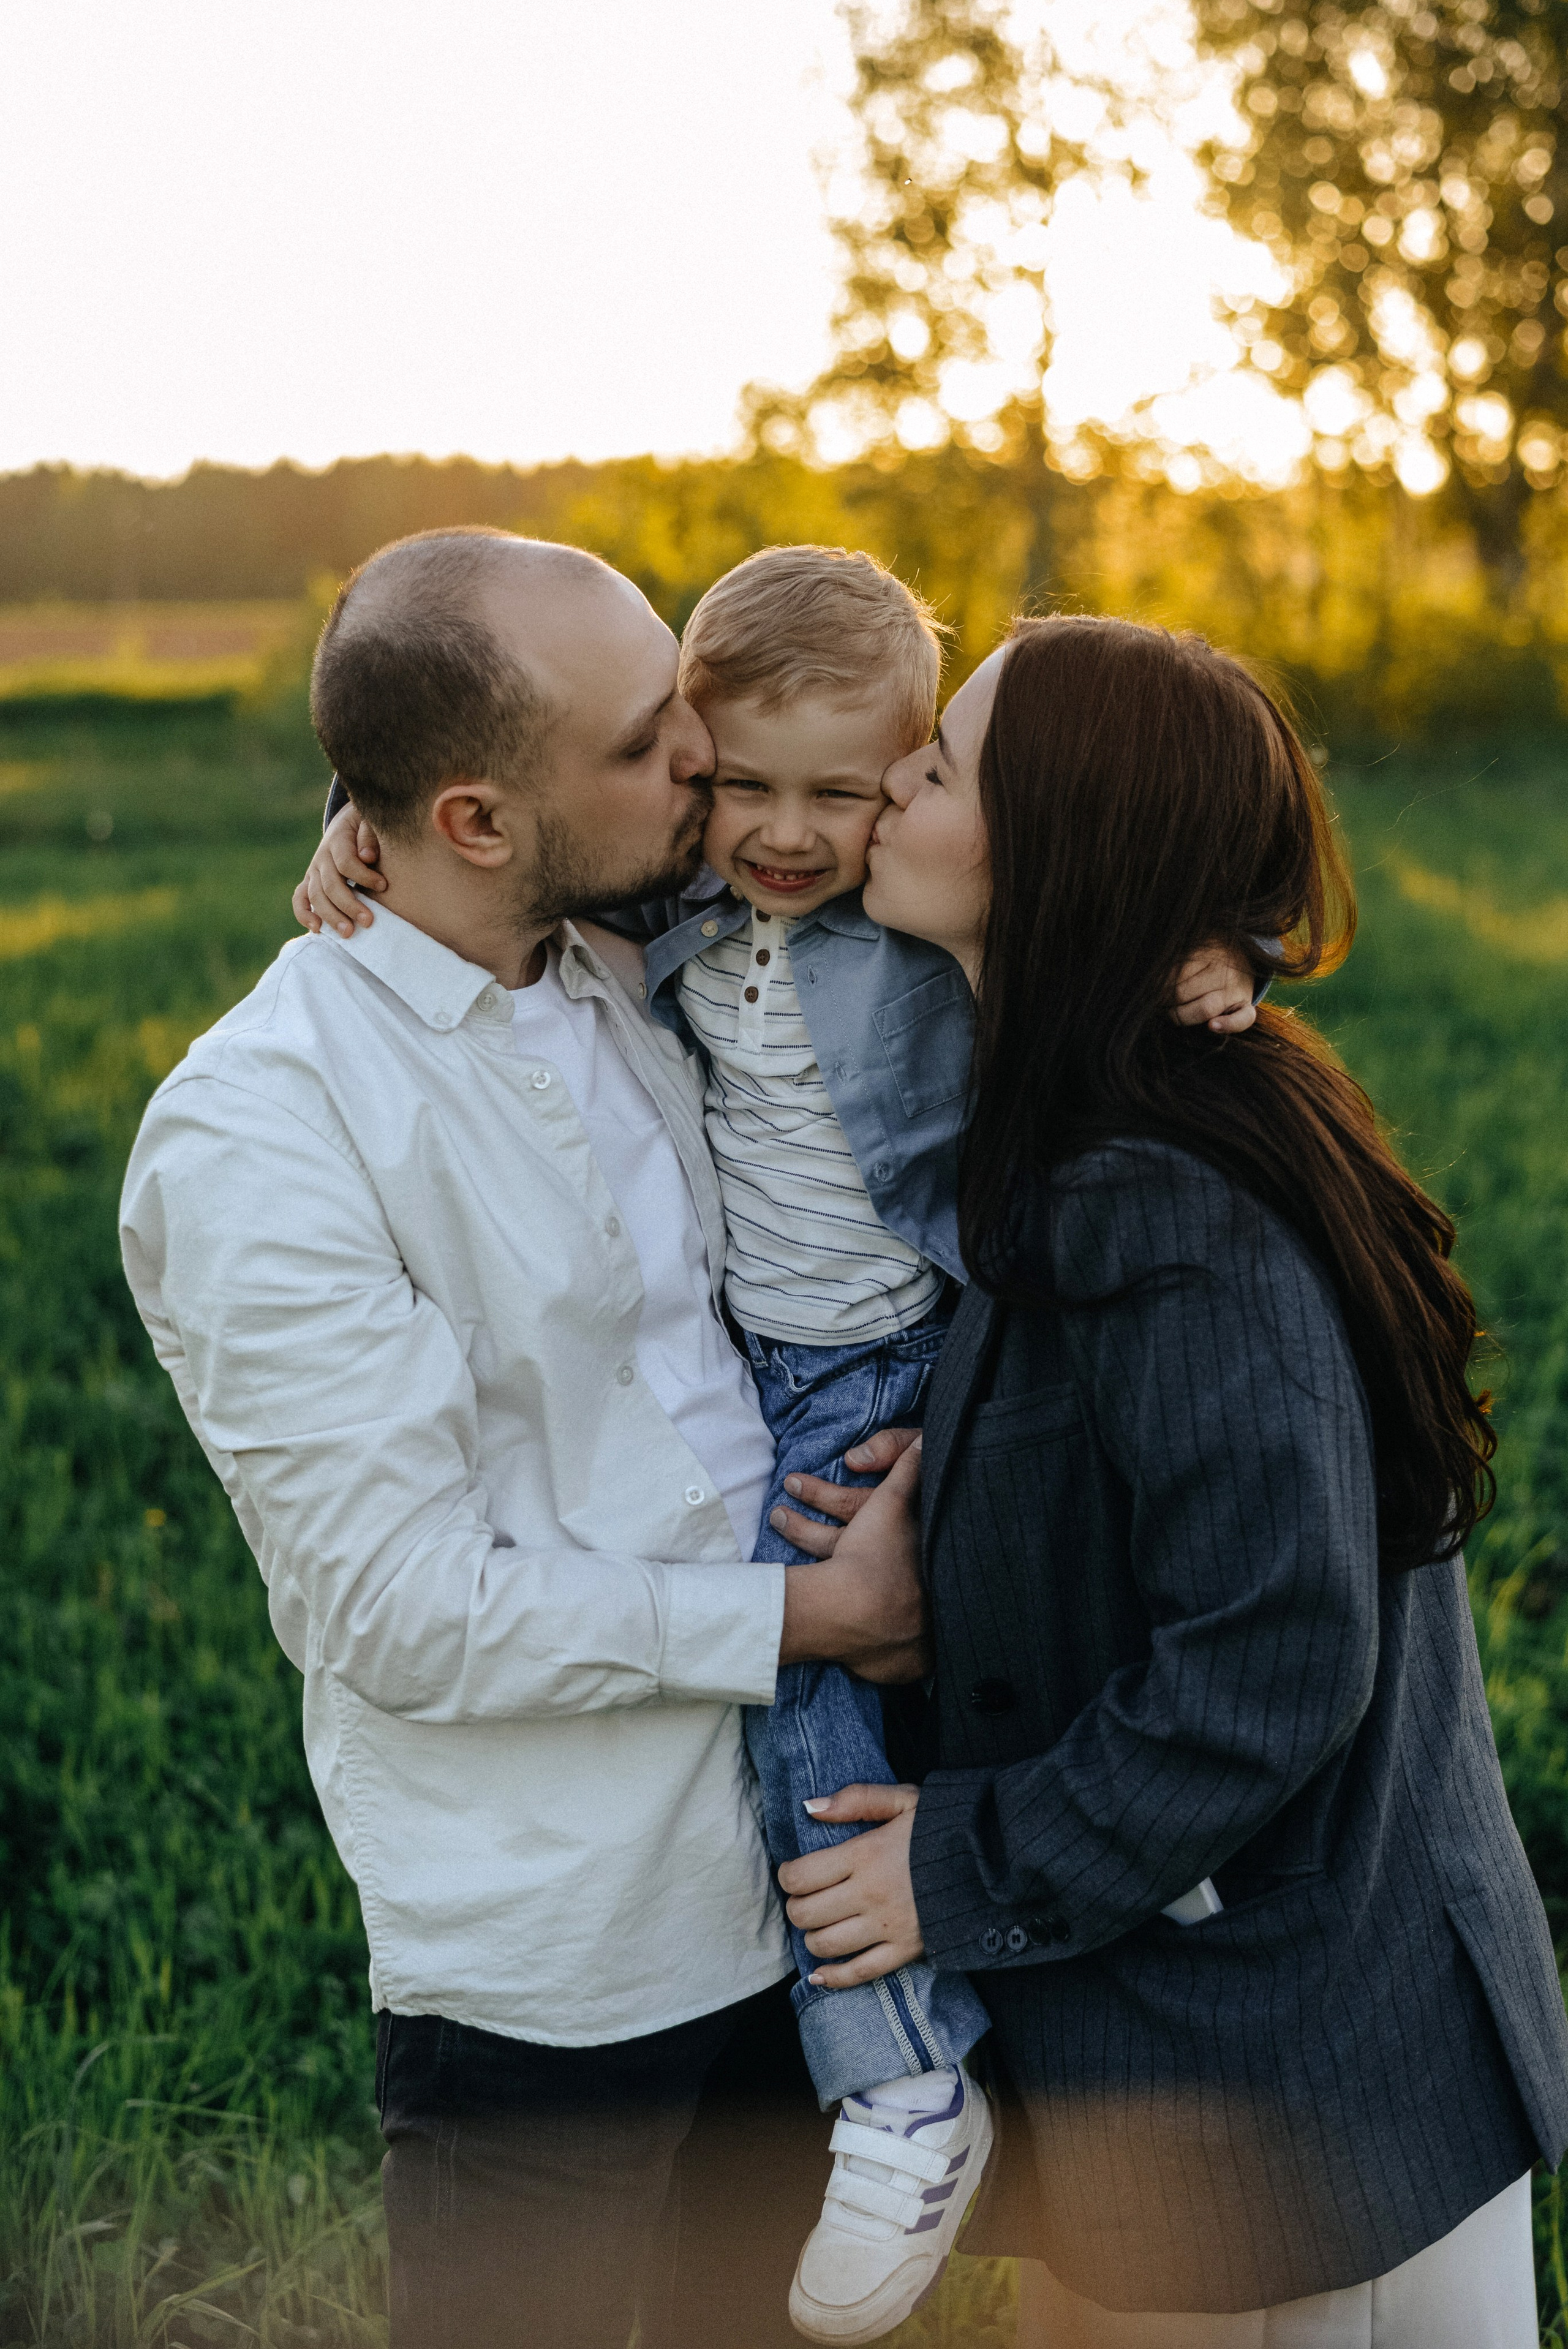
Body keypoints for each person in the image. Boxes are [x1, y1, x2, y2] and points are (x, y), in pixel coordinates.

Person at [297, 543, 1258, 2342]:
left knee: (960, 1619)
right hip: (760, 1420)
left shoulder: (869, 927)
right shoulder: (642, 930)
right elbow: (471, 798)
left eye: (848, 789)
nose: (767, 821)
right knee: (826, 1672)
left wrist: (1208, 951)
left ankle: (966, 2021)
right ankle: (919, 2051)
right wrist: (358, 827)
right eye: (716, 767)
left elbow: (1085, 906)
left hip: (923, 1349)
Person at [118, 527, 933, 2349]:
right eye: (651, 741)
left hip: (799, 1896)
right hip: (564, 1965)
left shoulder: (622, 956)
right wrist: (815, 1617)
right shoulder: (265, 1130)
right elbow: (398, 1605)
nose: (704, 765)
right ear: (478, 821)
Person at [767, 614, 1568, 2347]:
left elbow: (1274, 1655)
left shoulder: (1163, 1193)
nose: (897, 778)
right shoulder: (1102, 1099)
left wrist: (958, 1865)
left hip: (1285, 2094)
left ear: (1061, 850)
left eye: (946, 763)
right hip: (1258, 2059)